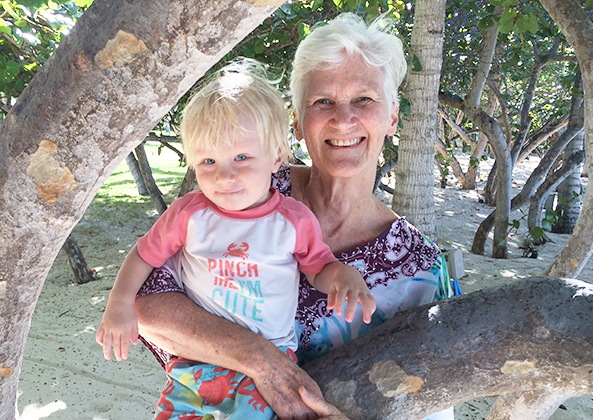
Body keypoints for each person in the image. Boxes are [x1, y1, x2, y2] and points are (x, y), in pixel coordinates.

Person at [133, 13, 456, 420]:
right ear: (298, 125)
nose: (343, 118)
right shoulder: (245, 186)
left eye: (365, 99)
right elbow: (145, 304)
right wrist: (260, 358)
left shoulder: (419, 267)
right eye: (323, 101)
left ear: (392, 116)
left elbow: (433, 401)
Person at [96, 60, 377, 419]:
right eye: (208, 161)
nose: (224, 175)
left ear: (276, 156)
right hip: (196, 362)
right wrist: (119, 302)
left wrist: (343, 276)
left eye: (241, 157)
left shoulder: (291, 219)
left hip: (272, 366)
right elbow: (144, 255)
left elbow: (318, 267)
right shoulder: (189, 214)